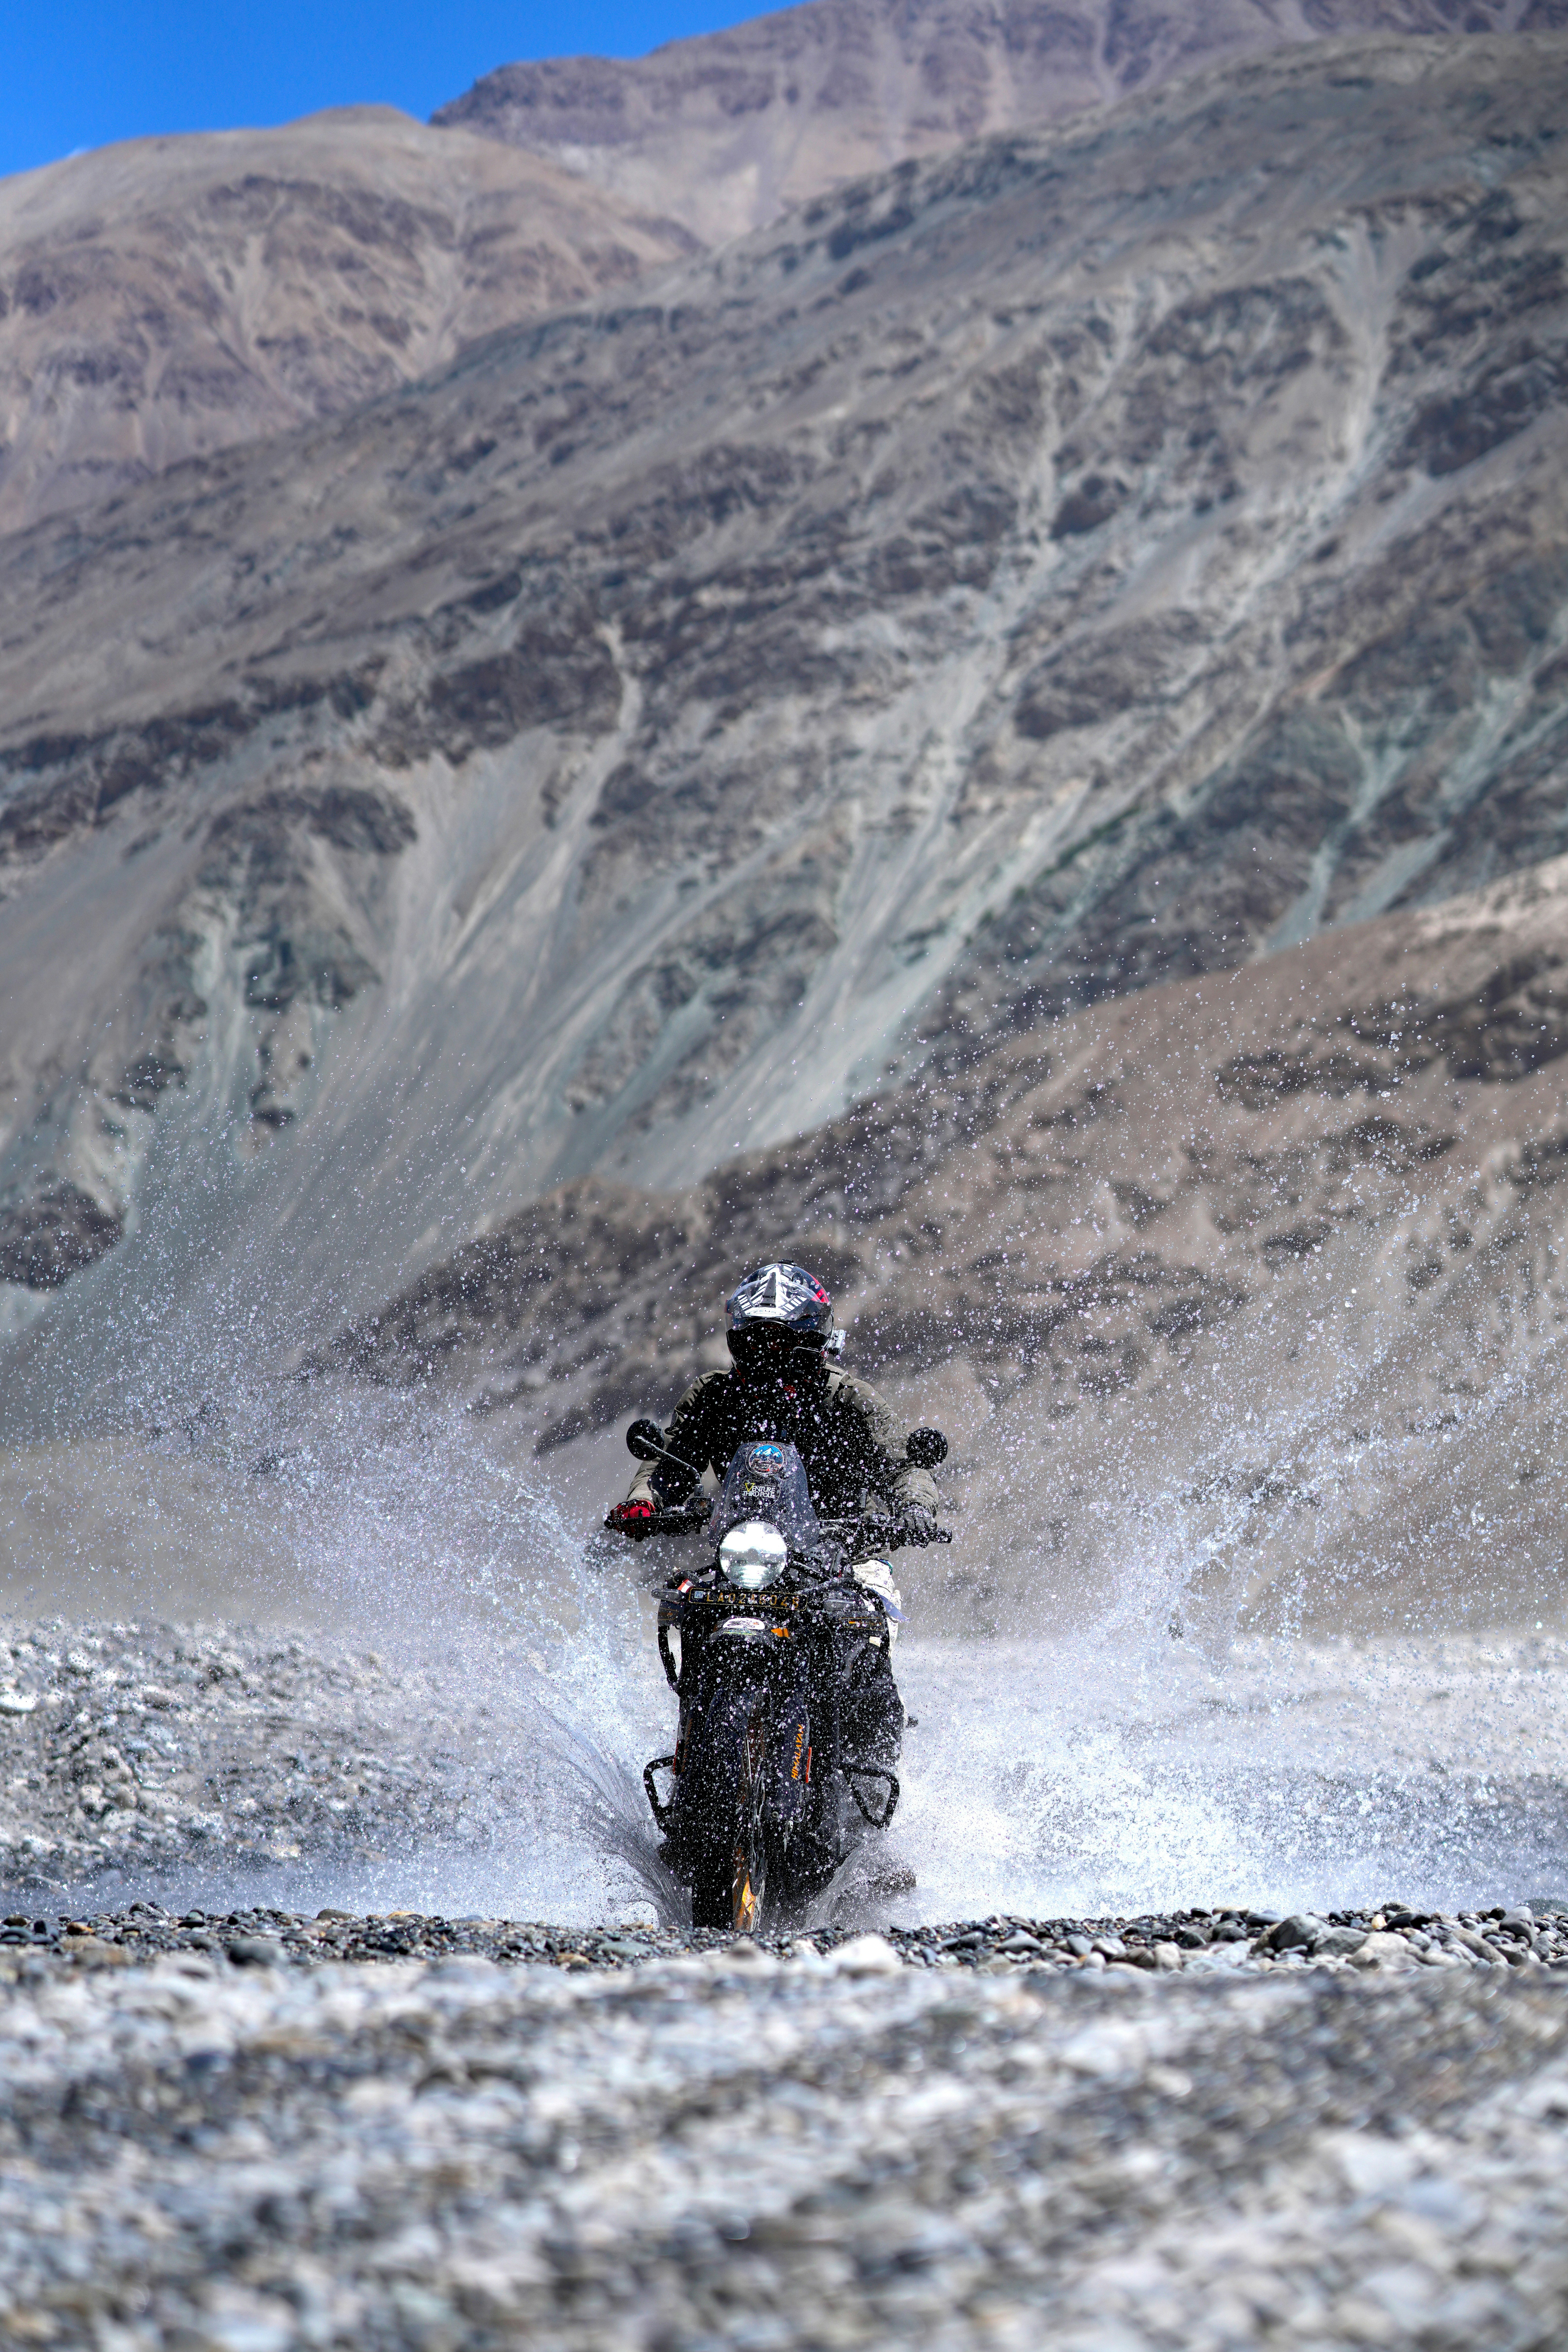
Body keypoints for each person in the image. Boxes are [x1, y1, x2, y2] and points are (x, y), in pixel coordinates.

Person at [604, 1262, 940, 1543]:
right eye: (753, 1340)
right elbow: (671, 1465)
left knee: (871, 1602)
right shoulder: (715, 1396)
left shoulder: (849, 1399)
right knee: (682, 1602)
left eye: (776, 1341)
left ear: (811, 1339)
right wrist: (643, 1503)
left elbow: (904, 1467)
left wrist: (915, 1508)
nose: (763, 1352)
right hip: (747, 1551)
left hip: (847, 1555)